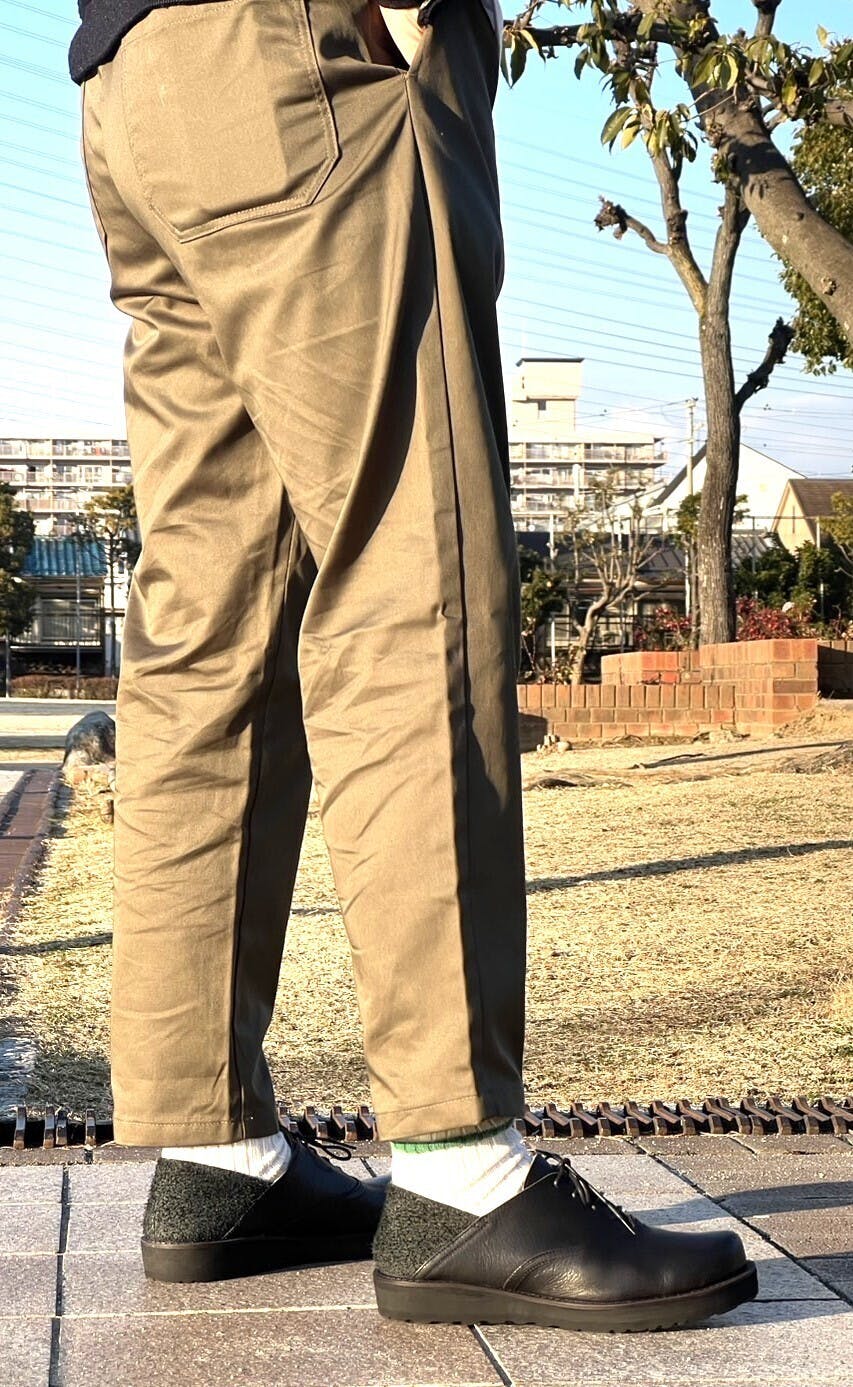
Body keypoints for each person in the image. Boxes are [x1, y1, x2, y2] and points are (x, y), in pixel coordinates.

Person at [69, 0, 757, 1331]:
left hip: (135, 76)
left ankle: (217, 1157)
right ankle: (461, 1174)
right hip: (305, 55)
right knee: (411, 583)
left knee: (211, 625)